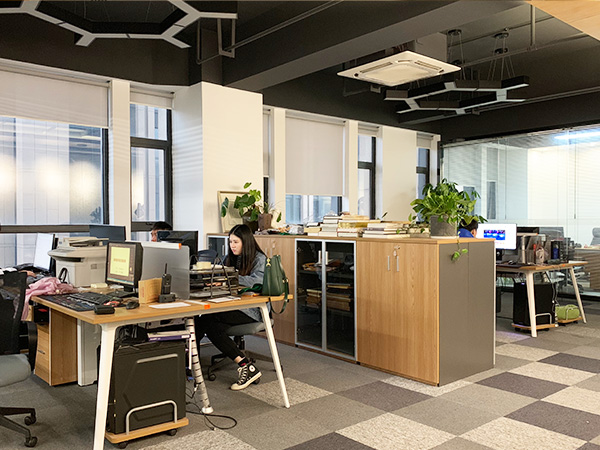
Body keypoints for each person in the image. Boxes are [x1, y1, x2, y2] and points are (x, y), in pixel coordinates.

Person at [194, 224, 267, 390]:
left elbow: (257, 281)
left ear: (245, 242)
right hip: (233, 304)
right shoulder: (231, 257)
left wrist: (230, 279)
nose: (232, 246)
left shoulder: (259, 259)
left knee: (206, 320)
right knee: (206, 323)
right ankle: (245, 365)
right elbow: (221, 274)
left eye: (236, 242)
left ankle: (191, 364)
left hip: (251, 309)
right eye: (230, 242)